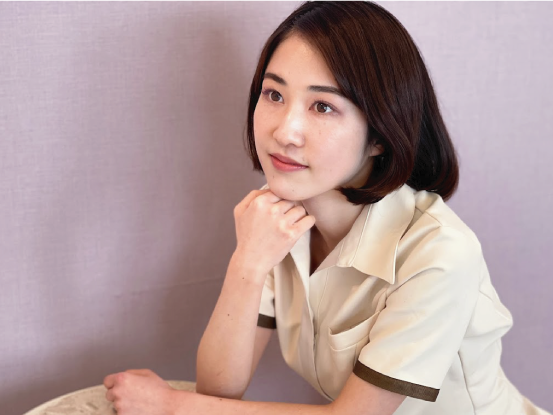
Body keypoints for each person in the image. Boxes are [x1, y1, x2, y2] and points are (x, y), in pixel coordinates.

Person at [103, 1, 551, 414]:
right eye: (274, 95)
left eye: (322, 106)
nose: (285, 131)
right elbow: (220, 391)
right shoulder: (277, 218)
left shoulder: (440, 253)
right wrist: (248, 264)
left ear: (380, 135)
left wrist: (170, 406)